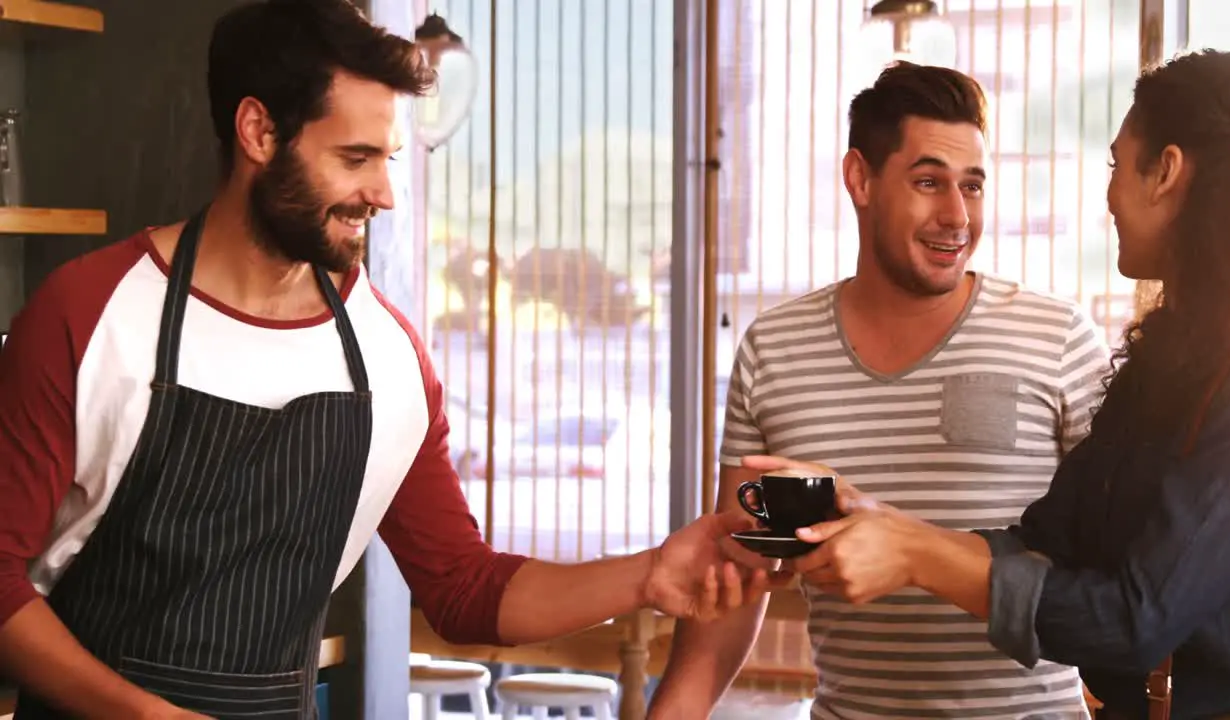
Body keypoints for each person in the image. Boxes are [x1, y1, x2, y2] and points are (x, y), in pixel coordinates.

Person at [0, 2, 766, 718]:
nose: (385, 193)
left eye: (390, 158)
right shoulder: (90, 312)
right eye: (357, 157)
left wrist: (649, 573)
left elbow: (462, 588)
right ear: (259, 132)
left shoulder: (386, 355)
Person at [751, 50, 1230, 720]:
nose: (1109, 195)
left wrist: (914, 555)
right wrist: (883, 525)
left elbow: (1134, 619)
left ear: (1166, 173)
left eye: (1117, 165)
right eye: (926, 182)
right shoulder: (1168, 362)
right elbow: (1052, 541)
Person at [648, 62, 1111, 719]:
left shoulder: (1058, 338)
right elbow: (735, 582)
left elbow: (1112, 575)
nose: (957, 216)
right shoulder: (773, 349)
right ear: (860, 179)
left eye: (972, 187)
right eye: (928, 183)